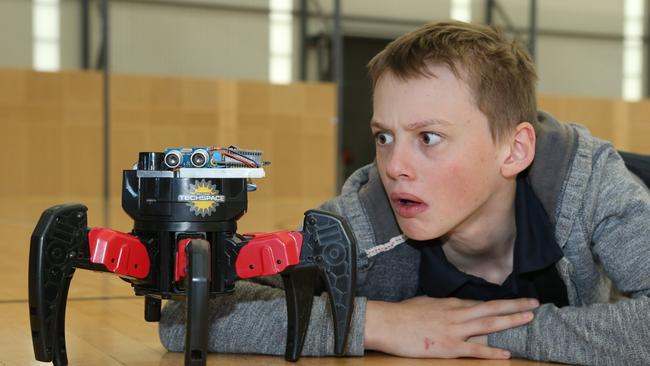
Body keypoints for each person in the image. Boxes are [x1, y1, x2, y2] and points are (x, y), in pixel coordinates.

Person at [159, 21, 650, 365]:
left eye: (428, 137)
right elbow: (185, 316)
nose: (394, 167)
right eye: (383, 136)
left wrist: (483, 332)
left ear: (514, 149)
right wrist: (378, 324)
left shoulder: (588, 188)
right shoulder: (365, 219)